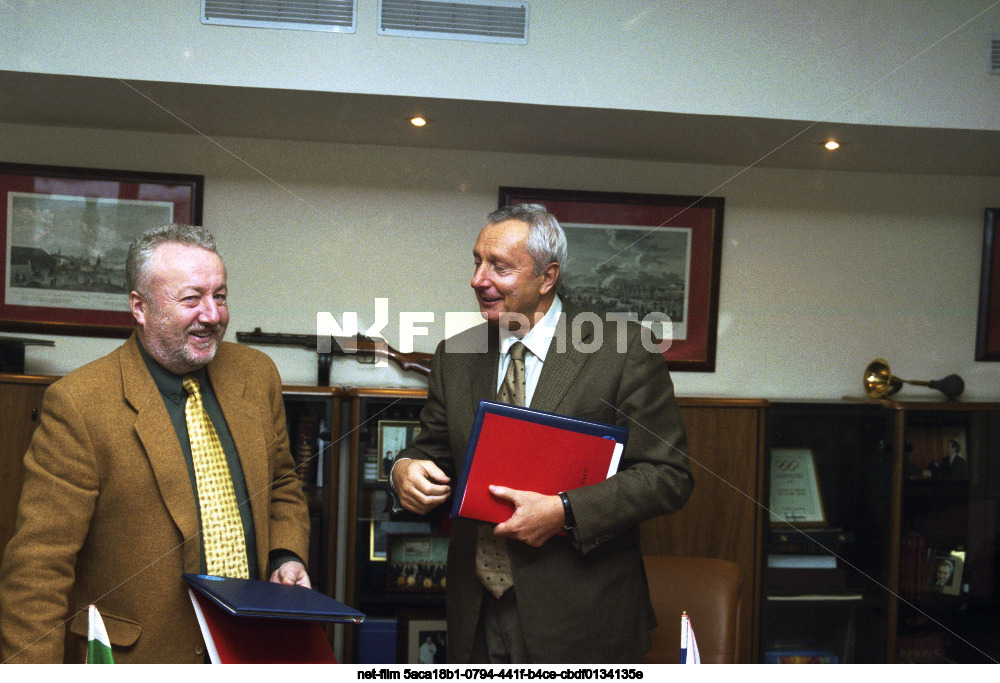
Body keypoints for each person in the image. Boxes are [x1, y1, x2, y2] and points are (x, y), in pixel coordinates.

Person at [391, 204, 693, 663]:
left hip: (583, 619)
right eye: (477, 261)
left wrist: (564, 511)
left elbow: (668, 475)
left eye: (500, 267)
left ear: (548, 277)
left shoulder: (622, 350)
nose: (478, 279)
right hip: (475, 615)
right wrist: (404, 470)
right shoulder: (456, 354)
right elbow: (430, 450)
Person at [0, 224, 311, 663]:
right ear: (139, 307)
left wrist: (285, 554)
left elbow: (280, 482)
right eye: (191, 299)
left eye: (219, 296)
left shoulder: (256, 375)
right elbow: (37, 571)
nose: (212, 315)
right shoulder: (78, 404)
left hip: (250, 649)